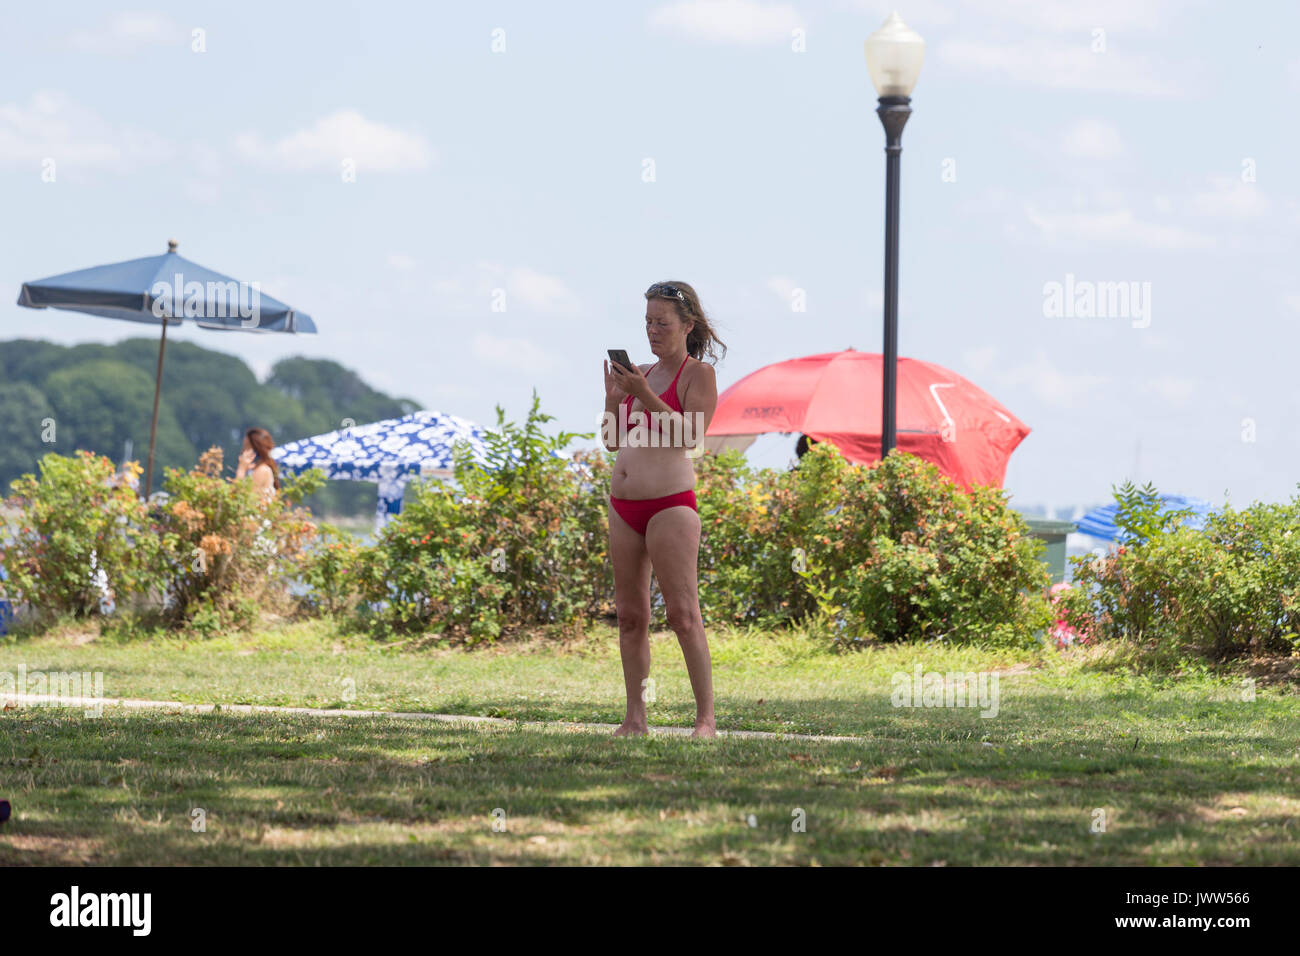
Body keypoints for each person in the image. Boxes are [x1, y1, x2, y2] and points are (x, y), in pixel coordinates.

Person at [602, 281, 726, 738]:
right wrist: (616, 398)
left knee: (683, 614)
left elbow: (689, 436)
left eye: (662, 323)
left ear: (687, 325)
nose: (653, 330)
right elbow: (614, 440)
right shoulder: (642, 372)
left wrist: (644, 393)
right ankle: (635, 718)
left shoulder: (699, 375)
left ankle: (705, 720)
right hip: (623, 507)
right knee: (631, 617)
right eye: (648, 322)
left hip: (670, 506)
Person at [235, 427, 281, 497]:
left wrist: (241, 470)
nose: (242, 452)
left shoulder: (262, 470)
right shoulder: (258, 470)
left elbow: (243, 499)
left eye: (245, 447)